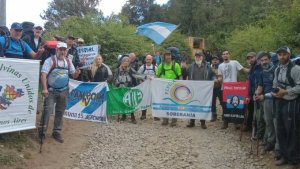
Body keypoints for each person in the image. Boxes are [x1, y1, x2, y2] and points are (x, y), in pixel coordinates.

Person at [39, 42, 81, 143]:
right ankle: (42, 132)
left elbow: (73, 76)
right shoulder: (50, 60)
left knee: (60, 111)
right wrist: (44, 89)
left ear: (66, 51)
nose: (62, 52)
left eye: (64, 50)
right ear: (56, 50)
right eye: (60, 50)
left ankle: (56, 132)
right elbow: (43, 75)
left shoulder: (69, 61)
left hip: (63, 91)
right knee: (47, 111)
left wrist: (77, 73)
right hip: (51, 91)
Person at [272, 47, 300, 169]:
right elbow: (274, 84)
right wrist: (274, 92)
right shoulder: (277, 69)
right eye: (280, 55)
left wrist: (286, 92)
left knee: (292, 131)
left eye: (284, 54)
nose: (282, 57)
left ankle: (293, 160)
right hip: (280, 101)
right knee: (281, 129)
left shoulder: (296, 69)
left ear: (289, 55)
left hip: (292, 102)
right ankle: (284, 156)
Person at [217, 49, 249, 129]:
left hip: (234, 88)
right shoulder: (220, 65)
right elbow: (220, 77)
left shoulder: (235, 62)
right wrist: (219, 80)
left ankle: (236, 122)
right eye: (224, 54)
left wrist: (252, 69)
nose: (225, 55)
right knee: (225, 106)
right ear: (222, 56)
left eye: (227, 53)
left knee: (235, 105)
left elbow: (243, 70)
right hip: (225, 88)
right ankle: (225, 122)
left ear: (229, 55)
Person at [255, 52, 279, 156]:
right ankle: (270, 142)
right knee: (268, 121)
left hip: (277, 99)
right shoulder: (262, 72)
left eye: (266, 60)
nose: (264, 62)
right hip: (266, 100)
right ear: (259, 62)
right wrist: (256, 94)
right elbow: (260, 86)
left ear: (270, 60)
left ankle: (278, 147)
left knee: (276, 123)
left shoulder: (276, 70)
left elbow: (277, 88)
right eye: (262, 60)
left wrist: (264, 96)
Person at [186, 52, 215, 129]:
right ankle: (192, 122)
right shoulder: (191, 66)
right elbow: (185, 74)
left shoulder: (208, 66)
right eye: (196, 56)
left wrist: (214, 80)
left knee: (202, 105)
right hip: (193, 89)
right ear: (195, 57)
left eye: (199, 56)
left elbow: (213, 75)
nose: (198, 58)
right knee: (192, 105)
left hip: (204, 90)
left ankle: (203, 122)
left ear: (202, 57)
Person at [114, 56, 144, 124]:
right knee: (122, 102)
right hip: (121, 88)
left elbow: (137, 75)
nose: (126, 62)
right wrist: (117, 83)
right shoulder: (118, 70)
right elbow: (115, 79)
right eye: (124, 61)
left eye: (127, 61)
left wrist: (146, 77)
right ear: (122, 62)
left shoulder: (131, 69)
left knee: (130, 102)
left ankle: (132, 117)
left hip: (129, 88)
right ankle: (123, 115)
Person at [156, 50, 182, 127]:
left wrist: (181, 84)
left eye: (169, 55)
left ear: (171, 56)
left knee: (174, 103)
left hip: (174, 87)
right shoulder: (161, 65)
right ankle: (165, 120)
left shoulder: (176, 65)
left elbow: (180, 75)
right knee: (164, 103)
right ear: (164, 56)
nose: (168, 56)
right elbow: (157, 75)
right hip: (164, 88)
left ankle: (174, 121)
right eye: (166, 55)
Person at [137, 54, 157, 120]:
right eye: (147, 59)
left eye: (149, 59)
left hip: (153, 86)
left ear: (152, 60)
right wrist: (140, 80)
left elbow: (158, 76)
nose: (148, 61)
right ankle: (143, 115)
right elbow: (137, 75)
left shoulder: (155, 67)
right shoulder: (142, 67)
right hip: (145, 87)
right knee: (144, 99)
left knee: (154, 100)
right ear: (145, 60)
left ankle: (156, 115)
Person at [210, 55, 222, 122]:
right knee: (212, 102)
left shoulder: (221, 67)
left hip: (220, 87)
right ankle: (214, 115)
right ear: (211, 61)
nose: (215, 61)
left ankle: (224, 115)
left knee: (222, 102)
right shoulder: (209, 67)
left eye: (216, 60)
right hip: (212, 88)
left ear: (218, 61)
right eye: (213, 60)